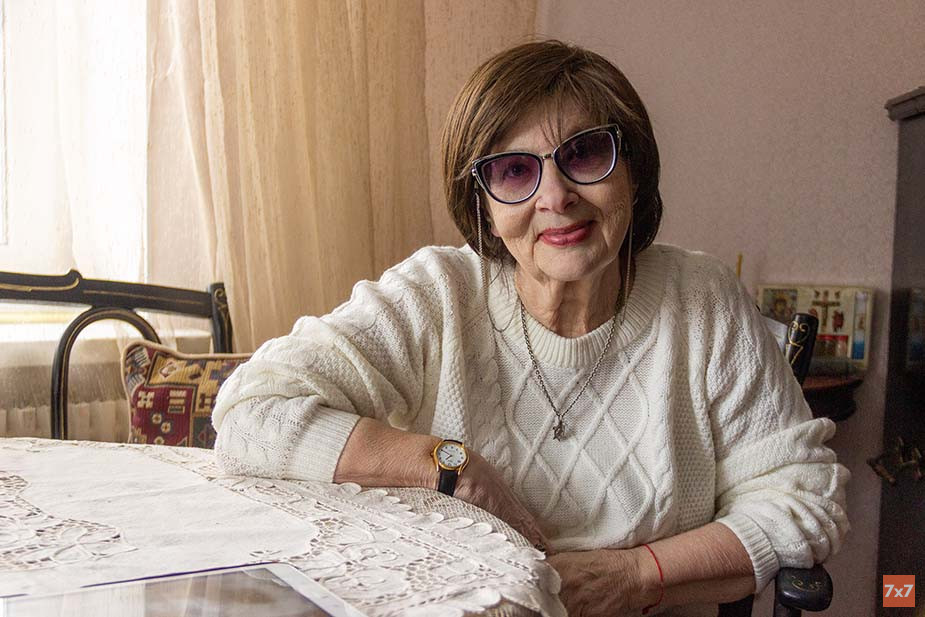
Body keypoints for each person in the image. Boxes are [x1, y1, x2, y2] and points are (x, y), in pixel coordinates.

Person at [212, 40, 849, 616]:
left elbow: (803, 499)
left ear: (633, 170)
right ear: (484, 206)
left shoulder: (701, 300)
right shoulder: (438, 294)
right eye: (514, 171)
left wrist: (636, 576)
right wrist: (450, 463)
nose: (556, 196)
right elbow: (251, 411)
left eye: (585, 153)